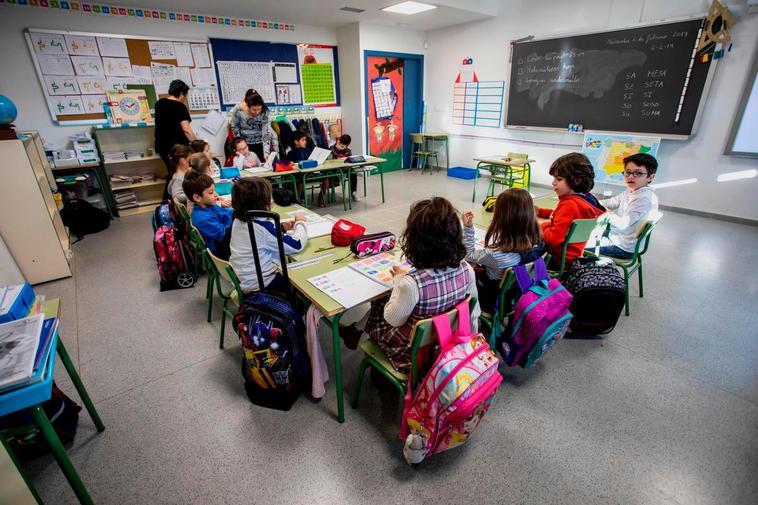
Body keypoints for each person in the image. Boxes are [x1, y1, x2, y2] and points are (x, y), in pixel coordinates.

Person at [340, 197, 480, 374]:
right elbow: (473, 313)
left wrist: (398, 281)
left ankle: (354, 332)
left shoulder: (412, 283)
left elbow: (393, 319)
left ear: (415, 241)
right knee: (387, 303)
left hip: (413, 354)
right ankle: (353, 332)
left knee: (380, 305)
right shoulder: (467, 270)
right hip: (446, 345)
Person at [461, 189, 545, 313]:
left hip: (491, 300)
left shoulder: (495, 255)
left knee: (466, 269)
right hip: (517, 296)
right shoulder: (538, 243)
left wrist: (468, 228)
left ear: (501, 218)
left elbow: (469, 254)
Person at [229, 178, 308, 294]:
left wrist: (282, 228)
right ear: (264, 204)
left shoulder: (238, 219)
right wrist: (301, 223)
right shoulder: (262, 227)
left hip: (244, 279)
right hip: (262, 284)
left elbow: (259, 237)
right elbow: (296, 245)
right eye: (269, 198)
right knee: (303, 274)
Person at [535, 153, 605, 267]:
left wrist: (540, 225)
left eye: (559, 179)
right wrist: (541, 212)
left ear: (575, 180)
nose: (553, 182)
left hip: (556, 258)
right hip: (574, 254)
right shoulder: (588, 200)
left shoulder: (569, 205)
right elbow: (562, 218)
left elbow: (553, 239)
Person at [598, 153, 659, 259]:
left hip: (621, 247)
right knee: (583, 234)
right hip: (618, 236)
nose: (630, 176)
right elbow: (613, 202)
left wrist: (605, 212)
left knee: (574, 242)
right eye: (628, 172)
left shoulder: (643, 199)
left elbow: (622, 224)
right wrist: (592, 201)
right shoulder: (633, 190)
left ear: (650, 177)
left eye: (638, 173)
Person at [155, 80, 195, 191]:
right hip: (177, 148)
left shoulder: (159, 103)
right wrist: (196, 143)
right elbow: (186, 129)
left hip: (162, 146)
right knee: (178, 174)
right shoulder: (180, 107)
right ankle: (171, 200)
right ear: (182, 94)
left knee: (172, 172)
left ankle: (170, 201)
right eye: (184, 95)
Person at [182, 171, 233, 260]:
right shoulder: (202, 219)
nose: (216, 194)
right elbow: (224, 234)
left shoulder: (209, 205)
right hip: (223, 250)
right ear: (197, 198)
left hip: (227, 240)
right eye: (211, 192)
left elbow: (225, 213)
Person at [230, 89, 279, 162]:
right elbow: (234, 127)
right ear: (248, 106)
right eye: (254, 109)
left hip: (261, 143)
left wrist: (266, 152)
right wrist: (241, 146)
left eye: (259, 109)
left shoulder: (264, 111)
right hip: (245, 146)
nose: (257, 112)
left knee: (263, 165)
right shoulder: (238, 110)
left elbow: (266, 132)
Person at [330, 134, 359, 202]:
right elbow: (329, 160)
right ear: (338, 140)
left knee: (353, 173)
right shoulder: (332, 148)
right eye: (339, 143)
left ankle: (353, 192)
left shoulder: (348, 150)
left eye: (342, 146)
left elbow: (349, 160)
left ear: (346, 146)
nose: (339, 146)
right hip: (334, 169)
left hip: (344, 168)